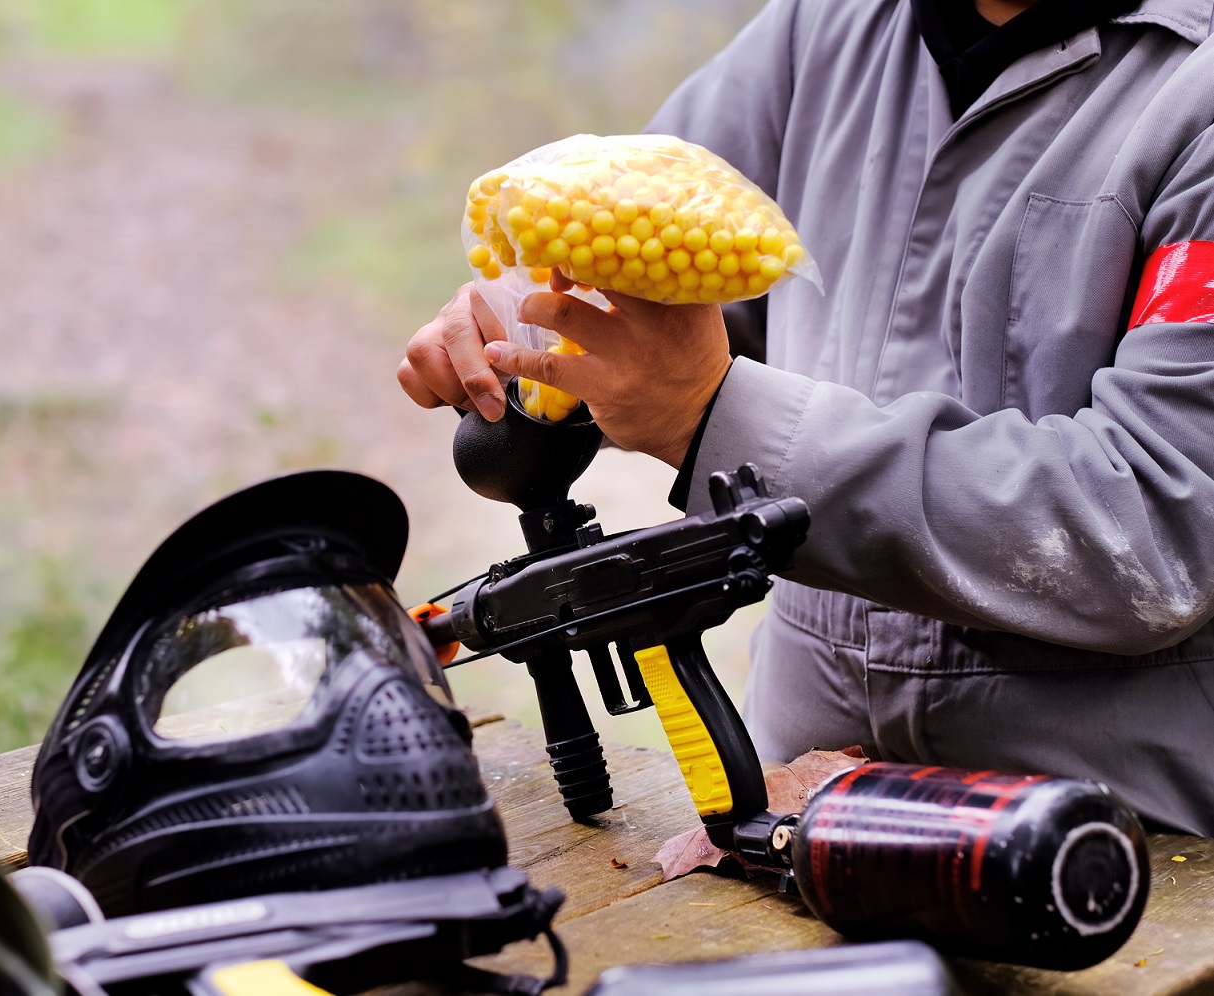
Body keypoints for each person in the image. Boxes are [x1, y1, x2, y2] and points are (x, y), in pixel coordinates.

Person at [397, 0, 1214, 835]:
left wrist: (704, 410)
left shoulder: (1194, 91)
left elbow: (1152, 528)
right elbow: (641, 275)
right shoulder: (823, 28)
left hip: (1119, 848)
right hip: (796, 810)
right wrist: (531, 333)